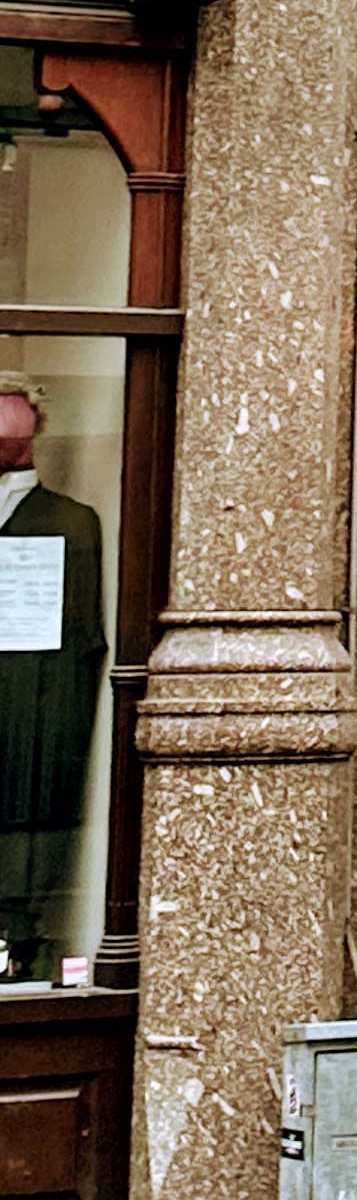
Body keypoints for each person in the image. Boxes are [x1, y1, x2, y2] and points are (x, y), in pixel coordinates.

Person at [0, 374, 107, 979]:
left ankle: (22, 945)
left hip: (33, 736)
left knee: (21, 865)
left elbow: (81, 649)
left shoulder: (71, 524)